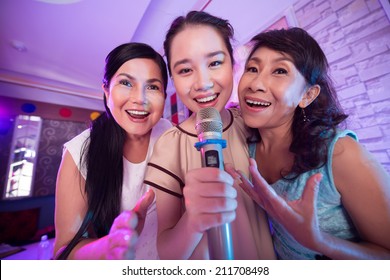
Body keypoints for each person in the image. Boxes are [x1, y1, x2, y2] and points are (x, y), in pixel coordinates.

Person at [232, 27, 390, 259]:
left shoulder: (341, 154)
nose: (255, 83)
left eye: (279, 71)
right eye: (252, 68)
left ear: (307, 95)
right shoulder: (246, 146)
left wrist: (318, 242)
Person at [143, 11, 275, 259]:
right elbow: (168, 252)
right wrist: (193, 220)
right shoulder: (169, 146)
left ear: (233, 65)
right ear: (173, 78)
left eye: (215, 63)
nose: (202, 83)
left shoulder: (255, 123)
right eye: (185, 70)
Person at [53, 42, 172, 259]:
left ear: (164, 95)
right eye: (126, 83)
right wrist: (108, 246)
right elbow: (63, 252)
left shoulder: (173, 136)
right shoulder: (79, 152)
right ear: (106, 90)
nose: (140, 99)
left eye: (153, 87)